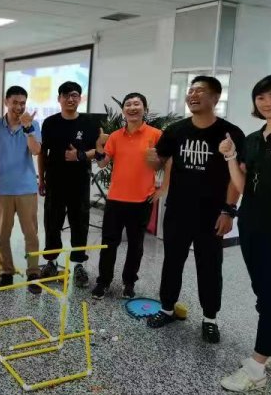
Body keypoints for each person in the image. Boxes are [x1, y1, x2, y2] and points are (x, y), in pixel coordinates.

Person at [145, 76, 245, 344]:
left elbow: (236, 176)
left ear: (215, 97)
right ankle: (167, 308)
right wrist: (152, 160)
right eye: (190, 91)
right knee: (172, 261)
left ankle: (210, 318)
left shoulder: (230, 133)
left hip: (212, 214)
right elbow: (159, 162)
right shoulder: (176, 130)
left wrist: (229, 211)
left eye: (200, 91)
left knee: (210, 266)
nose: (192, 95)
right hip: (178, 211)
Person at [219, 75, 271, 392]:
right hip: (251, 225)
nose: (267, 102)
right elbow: (242, 186)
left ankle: (256, 369)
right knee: (264, 292)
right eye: (261, 97)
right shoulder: (252, 139)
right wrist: (230, 157)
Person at [91, 93, 164, 300]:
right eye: (128, 104)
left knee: (136, 246)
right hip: (115, 199)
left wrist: (163, 189)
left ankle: (129, 282)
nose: (132, 107)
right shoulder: (115, 136)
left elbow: (167, 162)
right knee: (109, 243)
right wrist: (99, 146)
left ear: (145, 109)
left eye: (137, 104)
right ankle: (103, 281)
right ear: (123, 110)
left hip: (142, 201)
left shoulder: (156, 134)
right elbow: (102, 163)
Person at [39, 81, 99, 288]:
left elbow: (98, 152)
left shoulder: (89, 123)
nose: (70, 99)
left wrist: (79, 155)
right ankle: (51, 262)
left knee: (79, 223)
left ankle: (79, 265)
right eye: (66, 95)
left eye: (74, 95)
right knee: (52, 223)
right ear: (59, 99)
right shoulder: (50, 123)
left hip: (79, 183)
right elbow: (42, 153)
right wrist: (41, 179)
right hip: (54, 181)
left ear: (80, 98)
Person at [0, 86, 42, 293]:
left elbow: (36, 150)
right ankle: (7, 272)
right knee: (2, 235)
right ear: (6, 102)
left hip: (26, 189)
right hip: (3, 189)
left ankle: (33, 273)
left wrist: (28, 128)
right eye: (15, 102)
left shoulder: (33, 124)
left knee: (31, 234)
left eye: (22, 103)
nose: (19, 107)